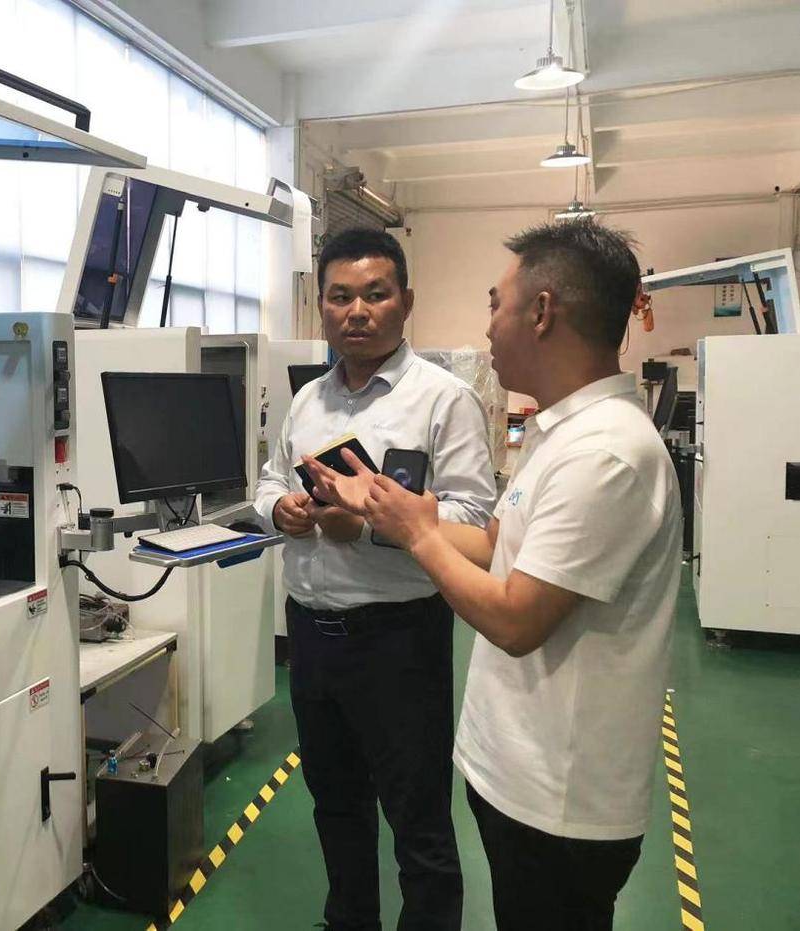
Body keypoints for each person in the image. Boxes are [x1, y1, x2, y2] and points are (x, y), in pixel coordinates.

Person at [305, 218, 682, 931]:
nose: (487, 327)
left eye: (494, 304)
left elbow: (515, 618)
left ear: (541, 312)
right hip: (520, 776)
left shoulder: (604, 455)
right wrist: (386, 511)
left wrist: (418, 533)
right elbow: (490, 546)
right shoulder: (560, 435)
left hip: (560, 797)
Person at [254, 228, 496, 931]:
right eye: (340, 297)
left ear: (405, 302)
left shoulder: (443, 401)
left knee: (418, 818)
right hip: (312, 637)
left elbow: (473, 520)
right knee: (335, 805)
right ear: (322, 308)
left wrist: (363, 526)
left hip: (399, 640)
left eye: (375, 294)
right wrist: (283, 508)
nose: (356, 311)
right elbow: (269, 479)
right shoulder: (308, 401)